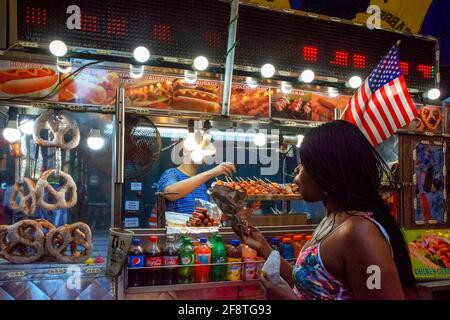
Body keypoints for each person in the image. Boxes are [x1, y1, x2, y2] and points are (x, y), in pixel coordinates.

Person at [233, 120, 416, 300]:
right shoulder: (333, 220)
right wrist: (264, 248)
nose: (297, 171)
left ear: (327, 174)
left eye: (304, 164)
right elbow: (312, 284)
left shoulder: (359, 232)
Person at [158, 146, 236, 215]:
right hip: (176, 230)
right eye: (197, 150)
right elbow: (170, 193)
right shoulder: (172, 173)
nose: (201, 154)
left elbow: (207, 215)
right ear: (185, 151)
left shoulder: (201, 185)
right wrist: (211, 173)